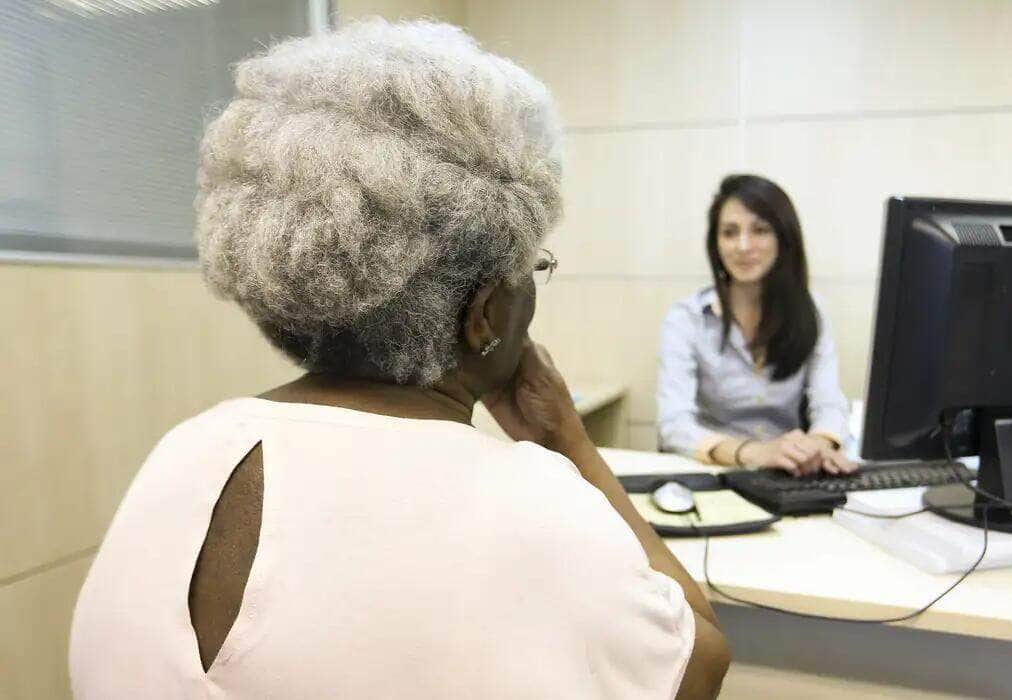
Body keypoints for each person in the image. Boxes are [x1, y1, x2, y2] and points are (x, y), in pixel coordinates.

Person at [70, 19, 729, 699]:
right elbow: (701, 663)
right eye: (532, 267)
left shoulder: (183, 455)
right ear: (486, 313)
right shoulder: (538, 507)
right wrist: (571, 444)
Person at [657, 174, 856, 475]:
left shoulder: (811, 311)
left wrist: (817, 444)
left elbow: (829, 402)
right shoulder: (686, 319)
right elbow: (673, 425)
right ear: (716, 243)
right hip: (717, 472)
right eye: (729, 232)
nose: (743, 245)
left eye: (760, 230)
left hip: (790, 472)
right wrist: (754, 453)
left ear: (783, 238)